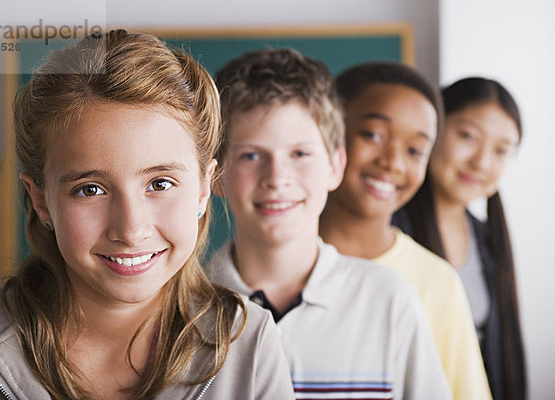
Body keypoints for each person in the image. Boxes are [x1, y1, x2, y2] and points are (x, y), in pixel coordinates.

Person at [0, 30, 295, 400]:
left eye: (160, 184)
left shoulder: (251, 344)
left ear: (202, 189)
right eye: (90, 189)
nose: (131, 230)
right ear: (40, 200)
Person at [206, 48, 452, 400]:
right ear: (216, 176)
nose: (277, 178)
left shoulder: (389, 301)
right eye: (251, 155)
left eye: (300, 154)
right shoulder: (182, 310)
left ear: (335, 166)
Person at [319, 62, 492, 400]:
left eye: (415, 150)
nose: (394, 162)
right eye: (373, 135)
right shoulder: (274, 265)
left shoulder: (438, 283)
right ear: (328, 133)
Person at [392, 77, 526, 400]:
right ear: (433, 129)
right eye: (467, 136)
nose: (481, 161)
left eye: (501, 150)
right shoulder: (388, 230)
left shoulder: (487, 241)